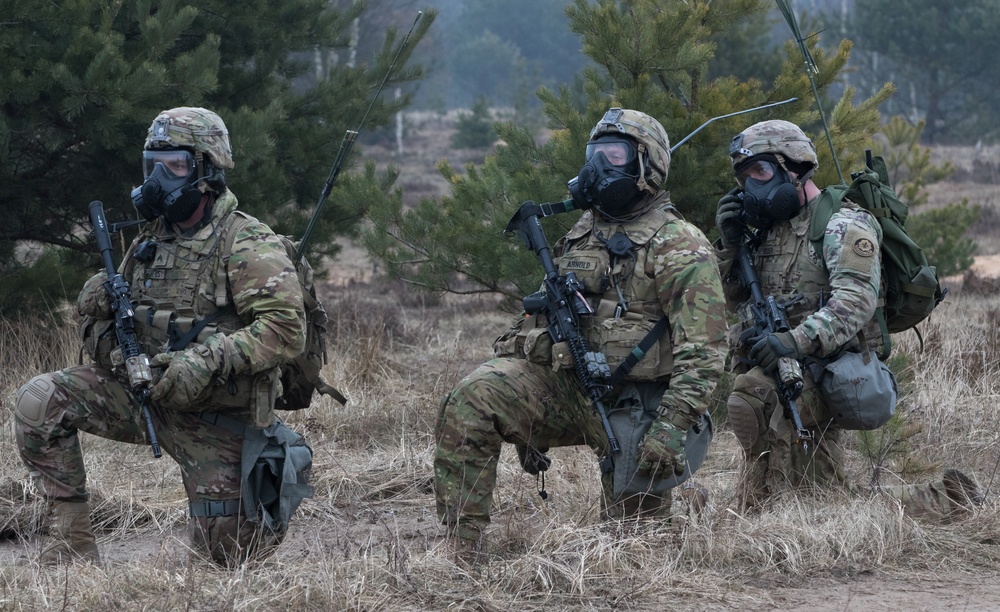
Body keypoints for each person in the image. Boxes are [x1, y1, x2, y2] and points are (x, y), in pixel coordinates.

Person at [14, 107, 311, 566]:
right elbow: (124, 313)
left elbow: (286, 329)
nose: (157, 178)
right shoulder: (153, 239)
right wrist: (101, 308)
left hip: (217, 418)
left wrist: (205, 361)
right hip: (145, 396)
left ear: (206, 171)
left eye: (173, 165)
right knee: (40, 401)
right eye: (150, 164)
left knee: (226, 560)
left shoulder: (246, 242)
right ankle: (69, 549)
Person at [434, 108, 728, 556]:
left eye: (614, 154)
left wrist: (671, 427)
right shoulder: (583, 231)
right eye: (594, 154)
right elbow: (544, 312)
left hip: (641, 404)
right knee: (474, 397)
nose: (598, 167)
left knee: (634, 549)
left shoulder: (679, 243)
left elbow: (704, 350)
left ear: (645, 163)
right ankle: (461, 545)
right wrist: (518, 363)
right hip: (572, 387)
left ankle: (684, 498)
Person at [714, 119, 981, 517]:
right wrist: (729, 245)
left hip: (835, 371)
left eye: (761, 171)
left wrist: (794, 341)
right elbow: (727, 299)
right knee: (809, 493)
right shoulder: (770, 234)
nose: (752, 185)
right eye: (745, 177)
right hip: (782, 368)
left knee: (822, 497)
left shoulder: (842, 225)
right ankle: (761, 507)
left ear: (794, 167)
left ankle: (946, 498)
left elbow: (856, 301)